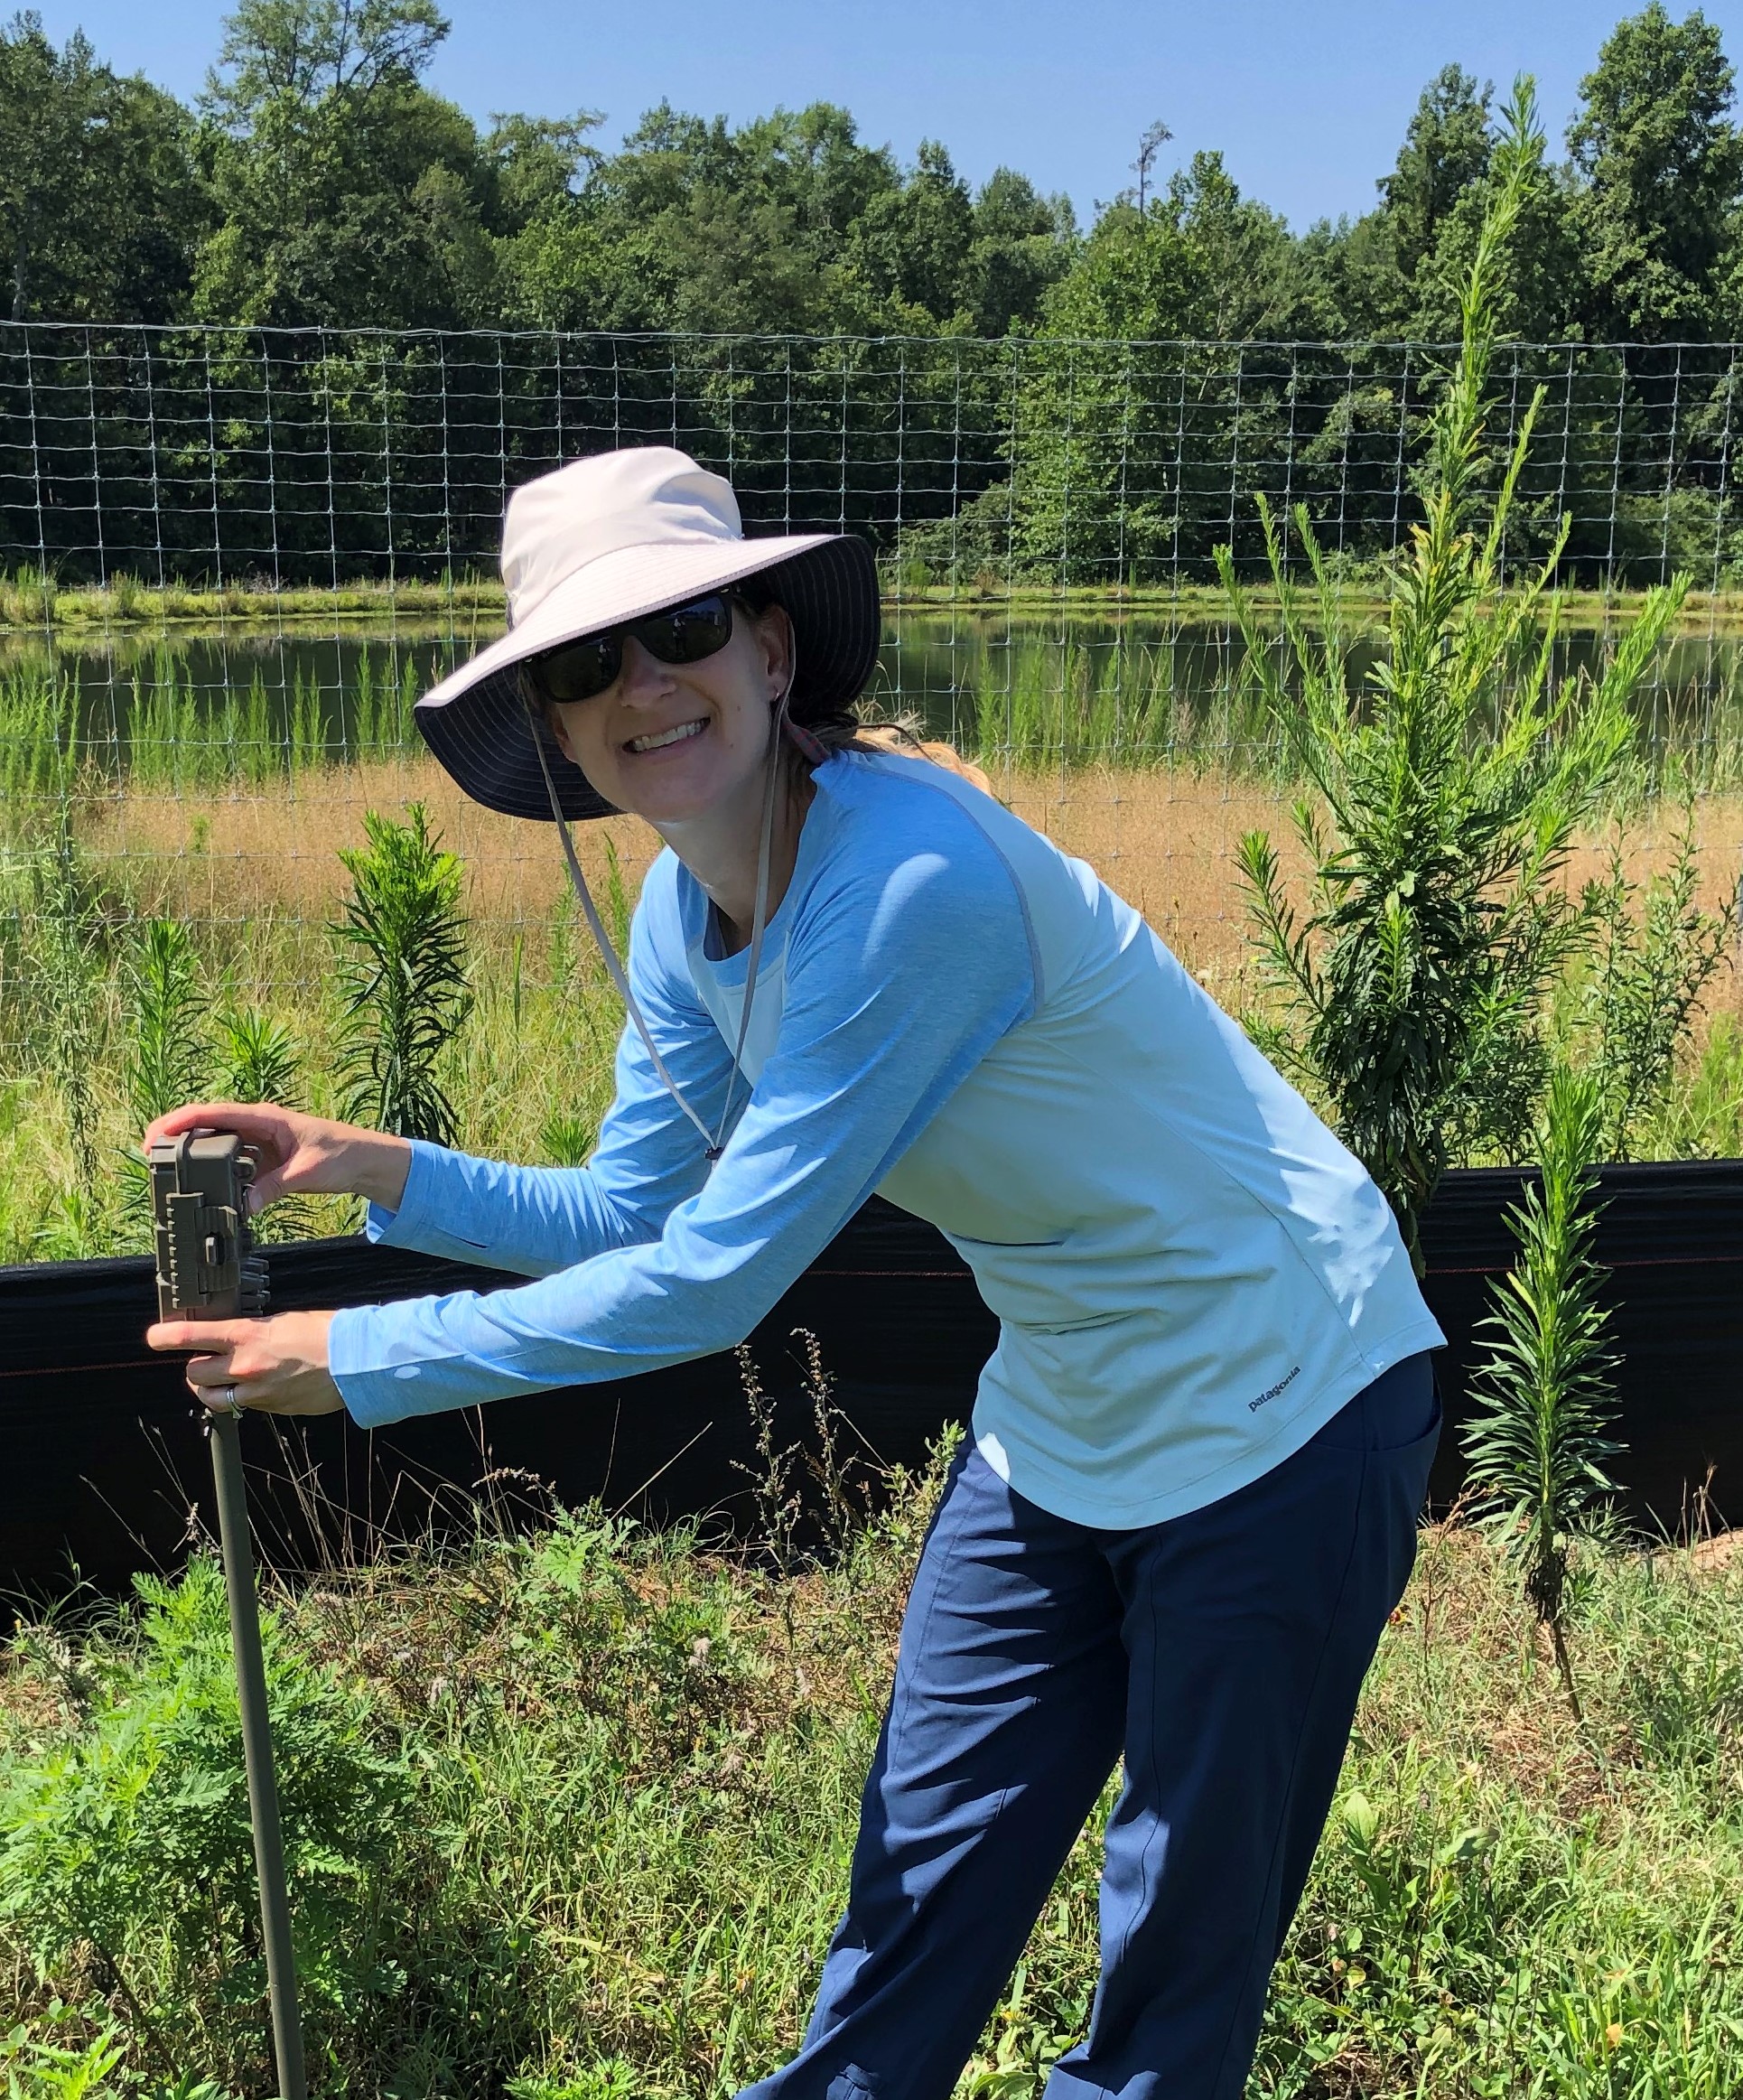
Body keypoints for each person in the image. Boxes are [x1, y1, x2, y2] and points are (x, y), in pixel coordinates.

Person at [146, 444, 1446, 2098]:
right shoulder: (685, 920)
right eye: (582, 662)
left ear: (768, 648)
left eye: (678, 628)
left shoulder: (911, 882)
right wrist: (369, 1168)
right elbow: (633, 1214)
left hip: (1288, 1396)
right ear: (548, 721)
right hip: (1065, 1412)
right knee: (912, 1901)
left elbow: (708, 1290)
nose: (640, 684)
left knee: (1173, 1962)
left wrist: (362, 1360)